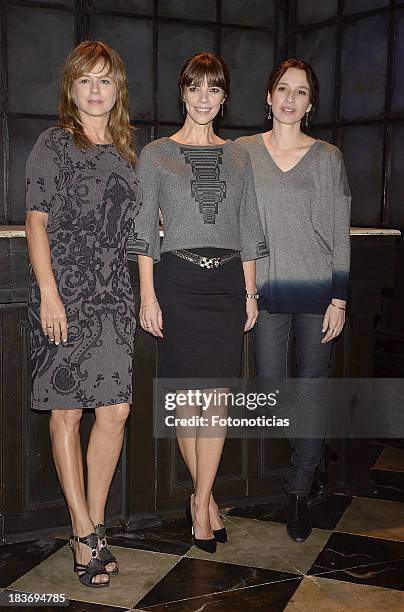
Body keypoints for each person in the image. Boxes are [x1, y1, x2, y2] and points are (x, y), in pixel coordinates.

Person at [132, 52, 269, 554]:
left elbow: (250, 228)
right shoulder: (156, 154)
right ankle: (204, 501)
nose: (204, 98)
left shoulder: (239, 156)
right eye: (196, 88)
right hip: (177, 284)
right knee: (189, 404)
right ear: (182, 93)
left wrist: (250, 291)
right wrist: (147, 294)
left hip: (227, 286)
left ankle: (201, 501)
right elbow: (144, 229)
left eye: (214, 89)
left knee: (216, 402)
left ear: (224, 98)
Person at [25, 41, 140, 586]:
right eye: (85, 81)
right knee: (68, 412)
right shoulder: (54, 143)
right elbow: (37, 220)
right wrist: (49, 292)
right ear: (71, 89)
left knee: (114, 412)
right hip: (65, 293)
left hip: (114, 297)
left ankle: (92, 523)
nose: (96, 91)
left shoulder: (123, 151)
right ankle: (82, 531)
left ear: (117, 90)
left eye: (106, 81)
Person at [237, 58, 351, 542]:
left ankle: (299, 489)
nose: (289, 98)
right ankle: (313, 449)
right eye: (282, 88)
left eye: (300, 92)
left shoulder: (327, 157)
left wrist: (339, 299)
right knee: (269, 387)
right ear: (268, 96)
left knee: (310, 387)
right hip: (263, 291)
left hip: (316, 292)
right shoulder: (241, 151)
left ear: (310, 103)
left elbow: (338, 234)